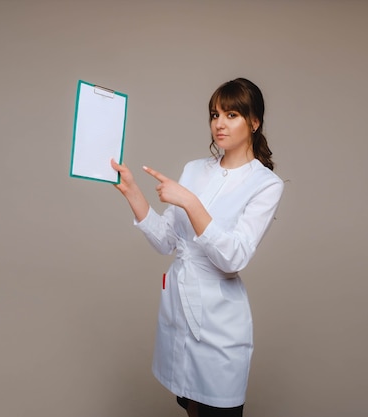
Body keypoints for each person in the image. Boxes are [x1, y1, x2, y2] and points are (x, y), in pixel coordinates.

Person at [110, 78, 284, 417]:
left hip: (219, 318)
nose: (219, 123)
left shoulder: (266, 184)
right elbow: (166, 241)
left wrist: (190, 202)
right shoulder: (194, 170)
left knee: (219, 408)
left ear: (254, 122)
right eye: (214, 114)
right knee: (190, 405)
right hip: (179, 307)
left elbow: (234, 256)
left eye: (232, 114)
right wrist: (132, 191)